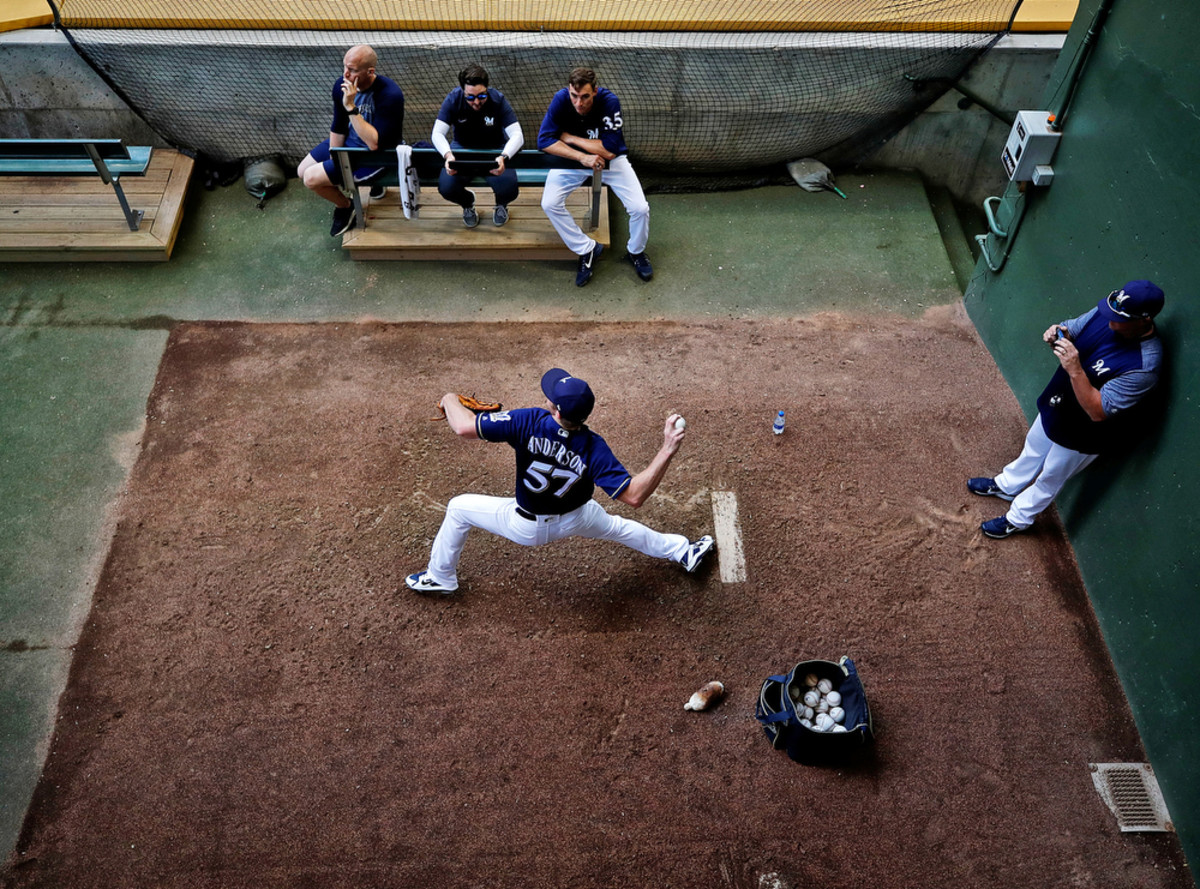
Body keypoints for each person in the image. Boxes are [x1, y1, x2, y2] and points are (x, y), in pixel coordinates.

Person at [406, 368, 714, 594]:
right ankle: (682, 552)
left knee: (459, 508)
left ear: (554, 409)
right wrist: (667, 448)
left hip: (524, 525)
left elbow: (463, 427)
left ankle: (440, 576)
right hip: (578, 517)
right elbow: (634, 496)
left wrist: (449, 399)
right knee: (620, 527)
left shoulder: (527, 421)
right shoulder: (594, 446)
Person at [969, 280, 1166, 539]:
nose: (1110, 322)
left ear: (1145, 320)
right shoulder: (1108, 312)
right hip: (1058, 403)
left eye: (1119, 319)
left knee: (1050, 476)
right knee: (1034, 447)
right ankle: (1006, 485)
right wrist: (1058, 331)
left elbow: (1098, 411)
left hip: (1084, 434)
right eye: (1110, 313)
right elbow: (1072, 328)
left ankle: (1018, 519)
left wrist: (1075, 368)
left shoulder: (1144, 366)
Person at [537, 68, 653, 287]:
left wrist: (570, 137)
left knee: (640, 208)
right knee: (549, 203)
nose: (578, 103)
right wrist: (582, 157)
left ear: (595, 92)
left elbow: (610, 150)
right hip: (573, 162)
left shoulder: (609, 102)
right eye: (574, 95)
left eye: (585, 97)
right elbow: (544, 141)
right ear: (568, 91)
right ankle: (587, 248)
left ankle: (636, 251)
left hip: (612, 163)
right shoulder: (561, 99)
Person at [298, 44, 405, 237]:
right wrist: (335, 156)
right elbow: (338, 126)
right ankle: (352, 198)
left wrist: (351, 108)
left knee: (311, 179)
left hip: (376, 157)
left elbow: (374, 144)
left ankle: (346, 206)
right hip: (349, 145)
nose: (345, 74)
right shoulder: (342, 86)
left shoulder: (390, 95)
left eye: (353, 70)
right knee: (301, 170)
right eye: (345, 67)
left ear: (369, 71)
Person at [431, 64, 525, 228]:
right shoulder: (453, 99)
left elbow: (518, 135)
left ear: (487, 90)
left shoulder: (498, 100)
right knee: (447, 187)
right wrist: (448, 155)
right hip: (462, 150)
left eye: (481, 96)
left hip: (494, 150)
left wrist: (504, 156)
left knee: (509, 188)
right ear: (463, 92)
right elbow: (437, 133)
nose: (476, 102)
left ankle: (501, 205)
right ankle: (468, 203)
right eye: (470, 97)